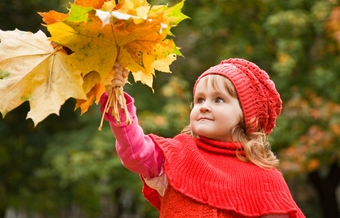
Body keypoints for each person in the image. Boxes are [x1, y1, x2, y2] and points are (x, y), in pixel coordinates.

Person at [100, 58, 305, 218]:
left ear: (247, 115)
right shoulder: (176, 156)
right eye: (199, 99)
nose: (204, 106)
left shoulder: (267, 179)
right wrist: (118, 104)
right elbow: (135, 152)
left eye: (219, 99)